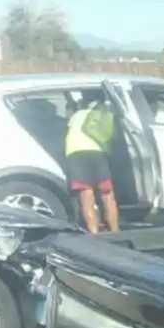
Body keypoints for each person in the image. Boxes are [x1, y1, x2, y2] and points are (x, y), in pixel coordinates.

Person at [62, 91, 121, 233]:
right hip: (98, 153)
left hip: (76, 154)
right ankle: (115, 231)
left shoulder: (77, 115)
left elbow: (67, 128)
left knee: (86, 195)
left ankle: (94, 234)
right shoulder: (105, 114)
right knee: (107, 194)